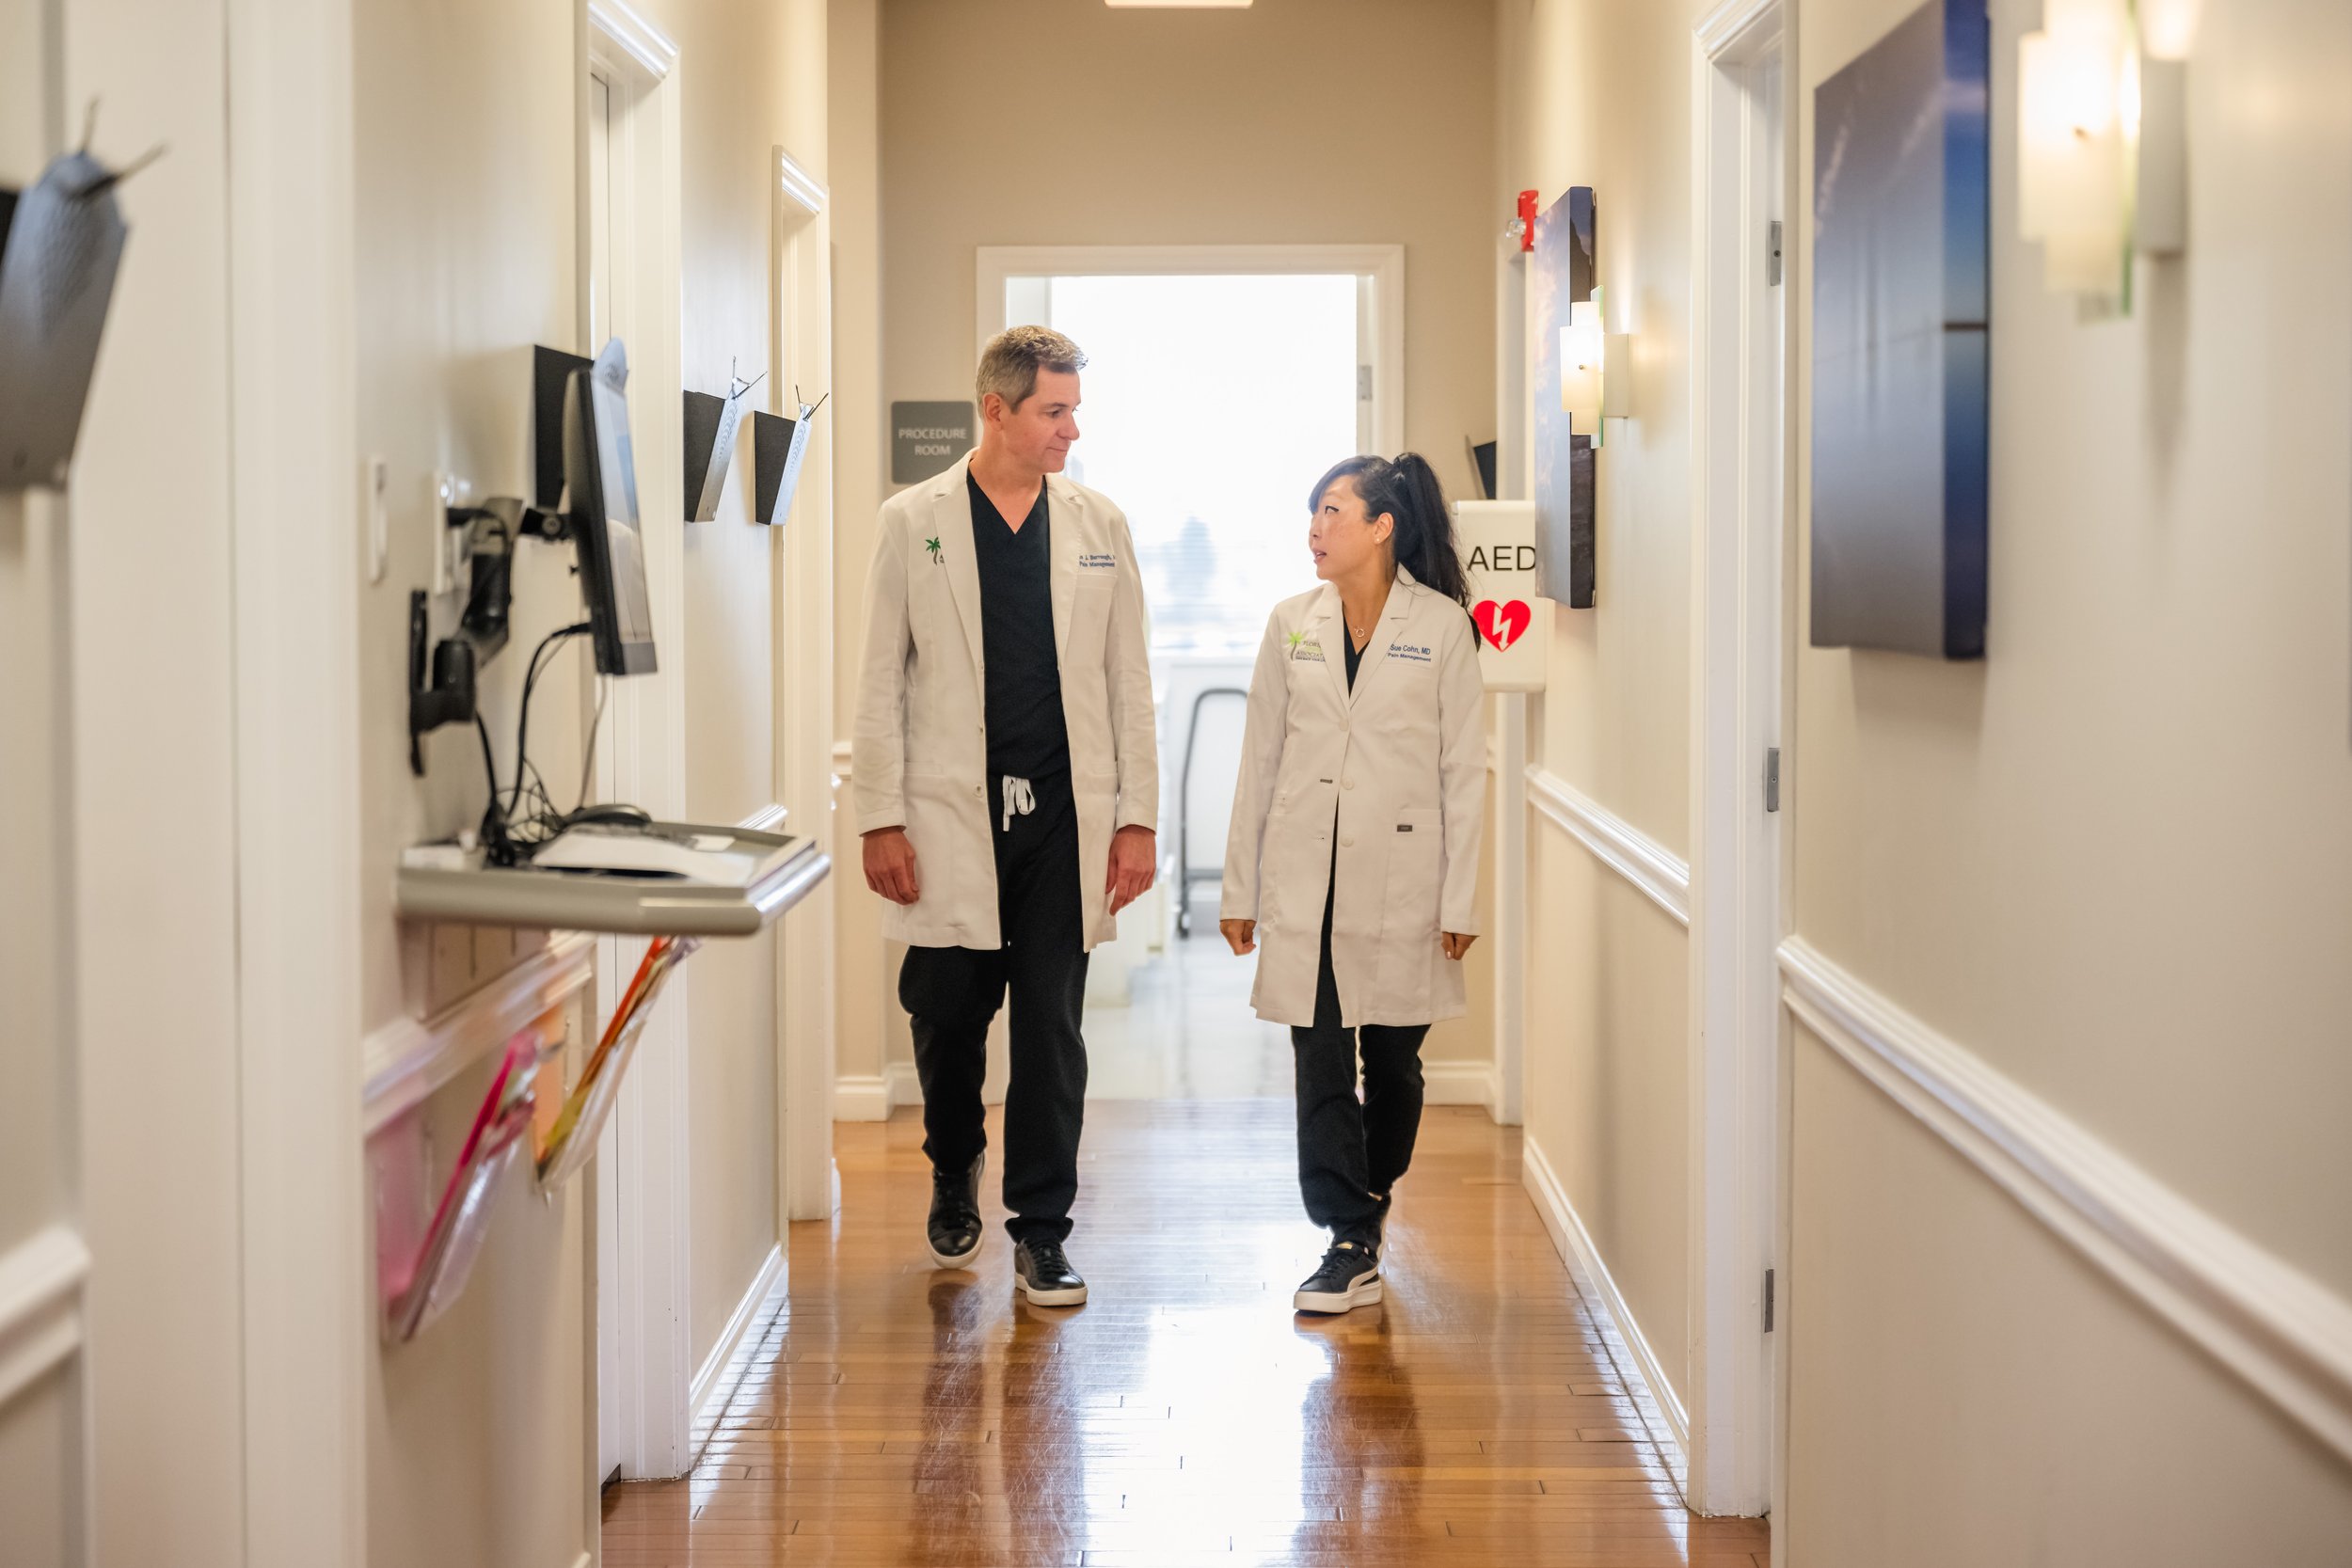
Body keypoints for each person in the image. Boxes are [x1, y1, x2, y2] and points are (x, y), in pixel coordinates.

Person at [851, 325, 1158, 1307]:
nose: (1072, 428)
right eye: (1053, 410)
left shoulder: (1099, 523)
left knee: (1051, 1030)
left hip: (1065, 817)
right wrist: (879, 815)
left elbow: (1129, 683)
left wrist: (1136, 818)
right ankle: (953, 1162)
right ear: (996, 409)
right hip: (948, 814)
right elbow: (878, 681)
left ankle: (1041, 1228)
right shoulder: (915, 520)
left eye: (1072, 408)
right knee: (943, 1010)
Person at [1219, 452, 1484, 1315]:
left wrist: (1462, 898)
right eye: (1312, 513)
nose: (1315, 529)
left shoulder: (1441, 626)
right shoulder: (1289, 623)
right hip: (1308, 876)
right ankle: (1346, 1233)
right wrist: (1240, 887)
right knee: (1320, 1054)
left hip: (1404, 873)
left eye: (1333, 512)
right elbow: (1258, 761)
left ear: (1382, 527)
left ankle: (1370, 1192)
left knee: (1396, 1063)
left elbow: (1462, 772)